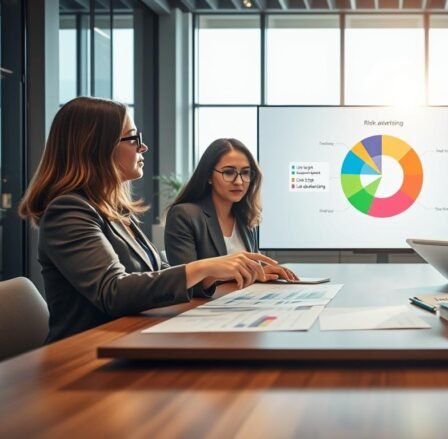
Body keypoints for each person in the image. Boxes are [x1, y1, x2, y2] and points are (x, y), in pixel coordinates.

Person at [18, 97, 280, 343]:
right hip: (87, 353)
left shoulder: (115, 212)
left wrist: (213, 274)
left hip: (128, 339)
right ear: (98, 147)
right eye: (133, 138)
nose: (143, 146)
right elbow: (113, 291)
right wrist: (204, 267)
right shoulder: (68, 211)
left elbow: (156, 272)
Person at [165, 138, 297, 297]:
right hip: (203, 312)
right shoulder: (184, 215)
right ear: (208, 176)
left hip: (243, 304)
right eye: (228, 172)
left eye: (246, 173)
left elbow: (248, 275)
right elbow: (184, 284)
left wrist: (261, 272)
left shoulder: (246, 217)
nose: (239, 181)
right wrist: (229, 271)